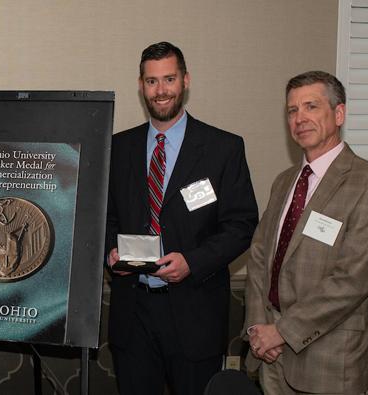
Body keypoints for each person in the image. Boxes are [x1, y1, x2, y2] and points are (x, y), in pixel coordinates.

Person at [105, 41, 258, 394]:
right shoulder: (118, 148)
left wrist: (192, 261)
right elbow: (105, 219)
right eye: (152, 81)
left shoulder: (223, 148)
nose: (161, 91)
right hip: (133, 314)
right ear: (141, 85)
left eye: (169, 79)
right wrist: (111, 255)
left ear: (185, 80)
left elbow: (241, 225)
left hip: (195, 314)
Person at [244, 71, 368, 394]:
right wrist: (260, 328)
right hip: (271, 357)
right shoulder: (285, 181)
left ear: (338, 114)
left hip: (329, 361)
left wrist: (282, 331)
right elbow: (259, 257)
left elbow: (354, 279)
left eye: (311, 106)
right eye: (292, 110)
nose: (300, 118)